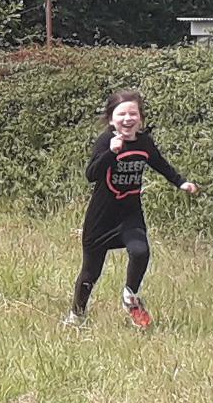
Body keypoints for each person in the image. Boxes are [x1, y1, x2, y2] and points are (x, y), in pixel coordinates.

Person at [66, 87, 194, 329]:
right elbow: (91, 175)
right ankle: (76, 315)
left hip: (130, 214)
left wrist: (181, 182)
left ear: (140, 118)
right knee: (90, 273)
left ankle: (130, 296)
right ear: (111, 119)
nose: (128, 119)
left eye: (133, 114)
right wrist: (111, 153)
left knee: (140, 251)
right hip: (101, 218)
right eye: (121, 114)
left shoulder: (144, 142)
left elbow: (160, 164)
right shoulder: (105, 141)